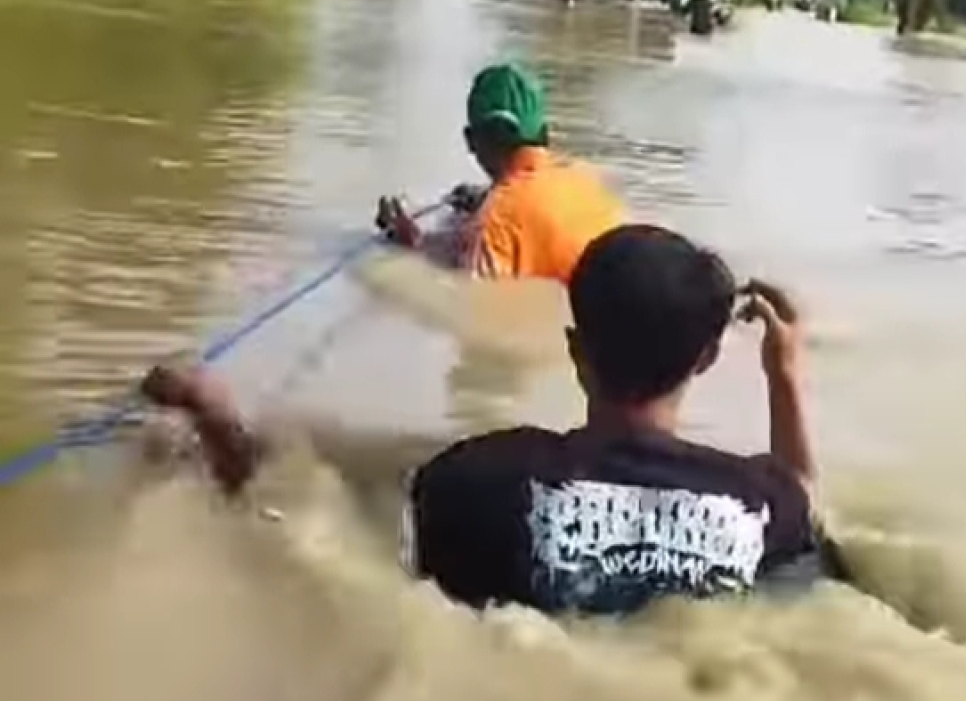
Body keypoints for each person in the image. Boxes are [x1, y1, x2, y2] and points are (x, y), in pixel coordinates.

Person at [141, 225, 835, 618]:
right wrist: (784, 372)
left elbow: (289, 518)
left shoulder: (476, 479)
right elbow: (807, 498)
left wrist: (210, 409)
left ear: (574, 351)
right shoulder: (760, 504)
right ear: (709, 358)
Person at [376, 61, 625, 284]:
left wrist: (406, 247)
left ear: (472, 141)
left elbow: (470, 307)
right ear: (545, 133)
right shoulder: (591, 180)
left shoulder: (497, 220)